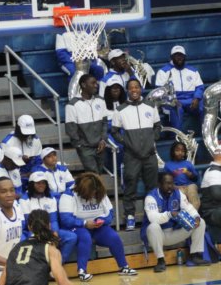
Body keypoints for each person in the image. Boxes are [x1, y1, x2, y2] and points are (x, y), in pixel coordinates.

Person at [58, 172, 137, 281]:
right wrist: (84, 223)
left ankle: (123, 267)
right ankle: (82, 271)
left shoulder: (100, 192)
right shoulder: (68, 195)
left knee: (113, 237)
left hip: (96, 227)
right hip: (77, 227)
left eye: (94, 192)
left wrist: (101, 220)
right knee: (85, 237)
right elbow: (66, 220)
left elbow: (110, 214)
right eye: (90, 193)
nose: (93, 195)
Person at [111, 78, 161, 231]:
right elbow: (114, 131)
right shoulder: (120, 109)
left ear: (140, 89)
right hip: (131, 155)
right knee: (130, 186)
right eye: (131, 87)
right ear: (127, 90)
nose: (134, 90)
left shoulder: (151, 105)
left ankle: (152, 215)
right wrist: (126, 142)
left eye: (136, 87)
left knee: (152, 186)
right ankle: (130, 216)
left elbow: (157, 126)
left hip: (150, 154)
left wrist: (152, 139)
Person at [143, 172, 209, 272]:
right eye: (167, 183)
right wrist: (169, 214)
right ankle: (161, 261)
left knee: (200, 222)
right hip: (158, 236)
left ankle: (196, 256)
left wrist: (196, 217)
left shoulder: (178, 193)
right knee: (153, 227)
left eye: (172, 183)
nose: (170, 186)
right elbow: (153, 218)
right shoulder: (151, 197)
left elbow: (189, 208)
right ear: (159, 184)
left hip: (174, 232)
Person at [154, 45, 204, 130]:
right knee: (176, 109)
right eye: (176, 55)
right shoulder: (163, 71)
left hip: (190, 99)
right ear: (171, 57)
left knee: (203, 106)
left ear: (185, 57)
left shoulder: (193, 70)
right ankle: (177, 137)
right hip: (174, 100)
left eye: (181, 55)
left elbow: (200, 87)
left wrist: (196, 98)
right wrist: (172, 100)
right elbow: (159, 91)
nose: (179, 58)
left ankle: (204, 132)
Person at [65, 74, 108, 174]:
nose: (96, 85)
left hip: (100, 145)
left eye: (96, 83)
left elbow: (104, 123)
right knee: (93, 173)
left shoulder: (101, 100)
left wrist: (103, 140)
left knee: (99, 173)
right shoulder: (72, 104)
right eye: (93, 83)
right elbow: (71, 129)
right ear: (83, 85)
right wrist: (80, 145)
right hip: (85, 147)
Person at [2, 114, 43, 181]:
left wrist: (33, 172)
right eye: (25, 133)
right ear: (18, 129)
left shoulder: (35, 139)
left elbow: (38, 161)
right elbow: (6, 165)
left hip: (33, 175)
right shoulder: (7, 142)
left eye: (30, 133)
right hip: (14, 176)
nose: (28, 135)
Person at [163, 140, 200, 210]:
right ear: (173, 152)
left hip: (189, 185)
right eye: (177, 150)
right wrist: (173, 175)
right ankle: (183, 214)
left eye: (182, 151)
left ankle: (194, 213)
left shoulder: (188, 163)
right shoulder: (168, 165)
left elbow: (195, 178)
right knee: (180, 195)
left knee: (192, 191)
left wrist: (188, 173)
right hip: (176, 187)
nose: (180, 153)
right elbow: (165, 181)